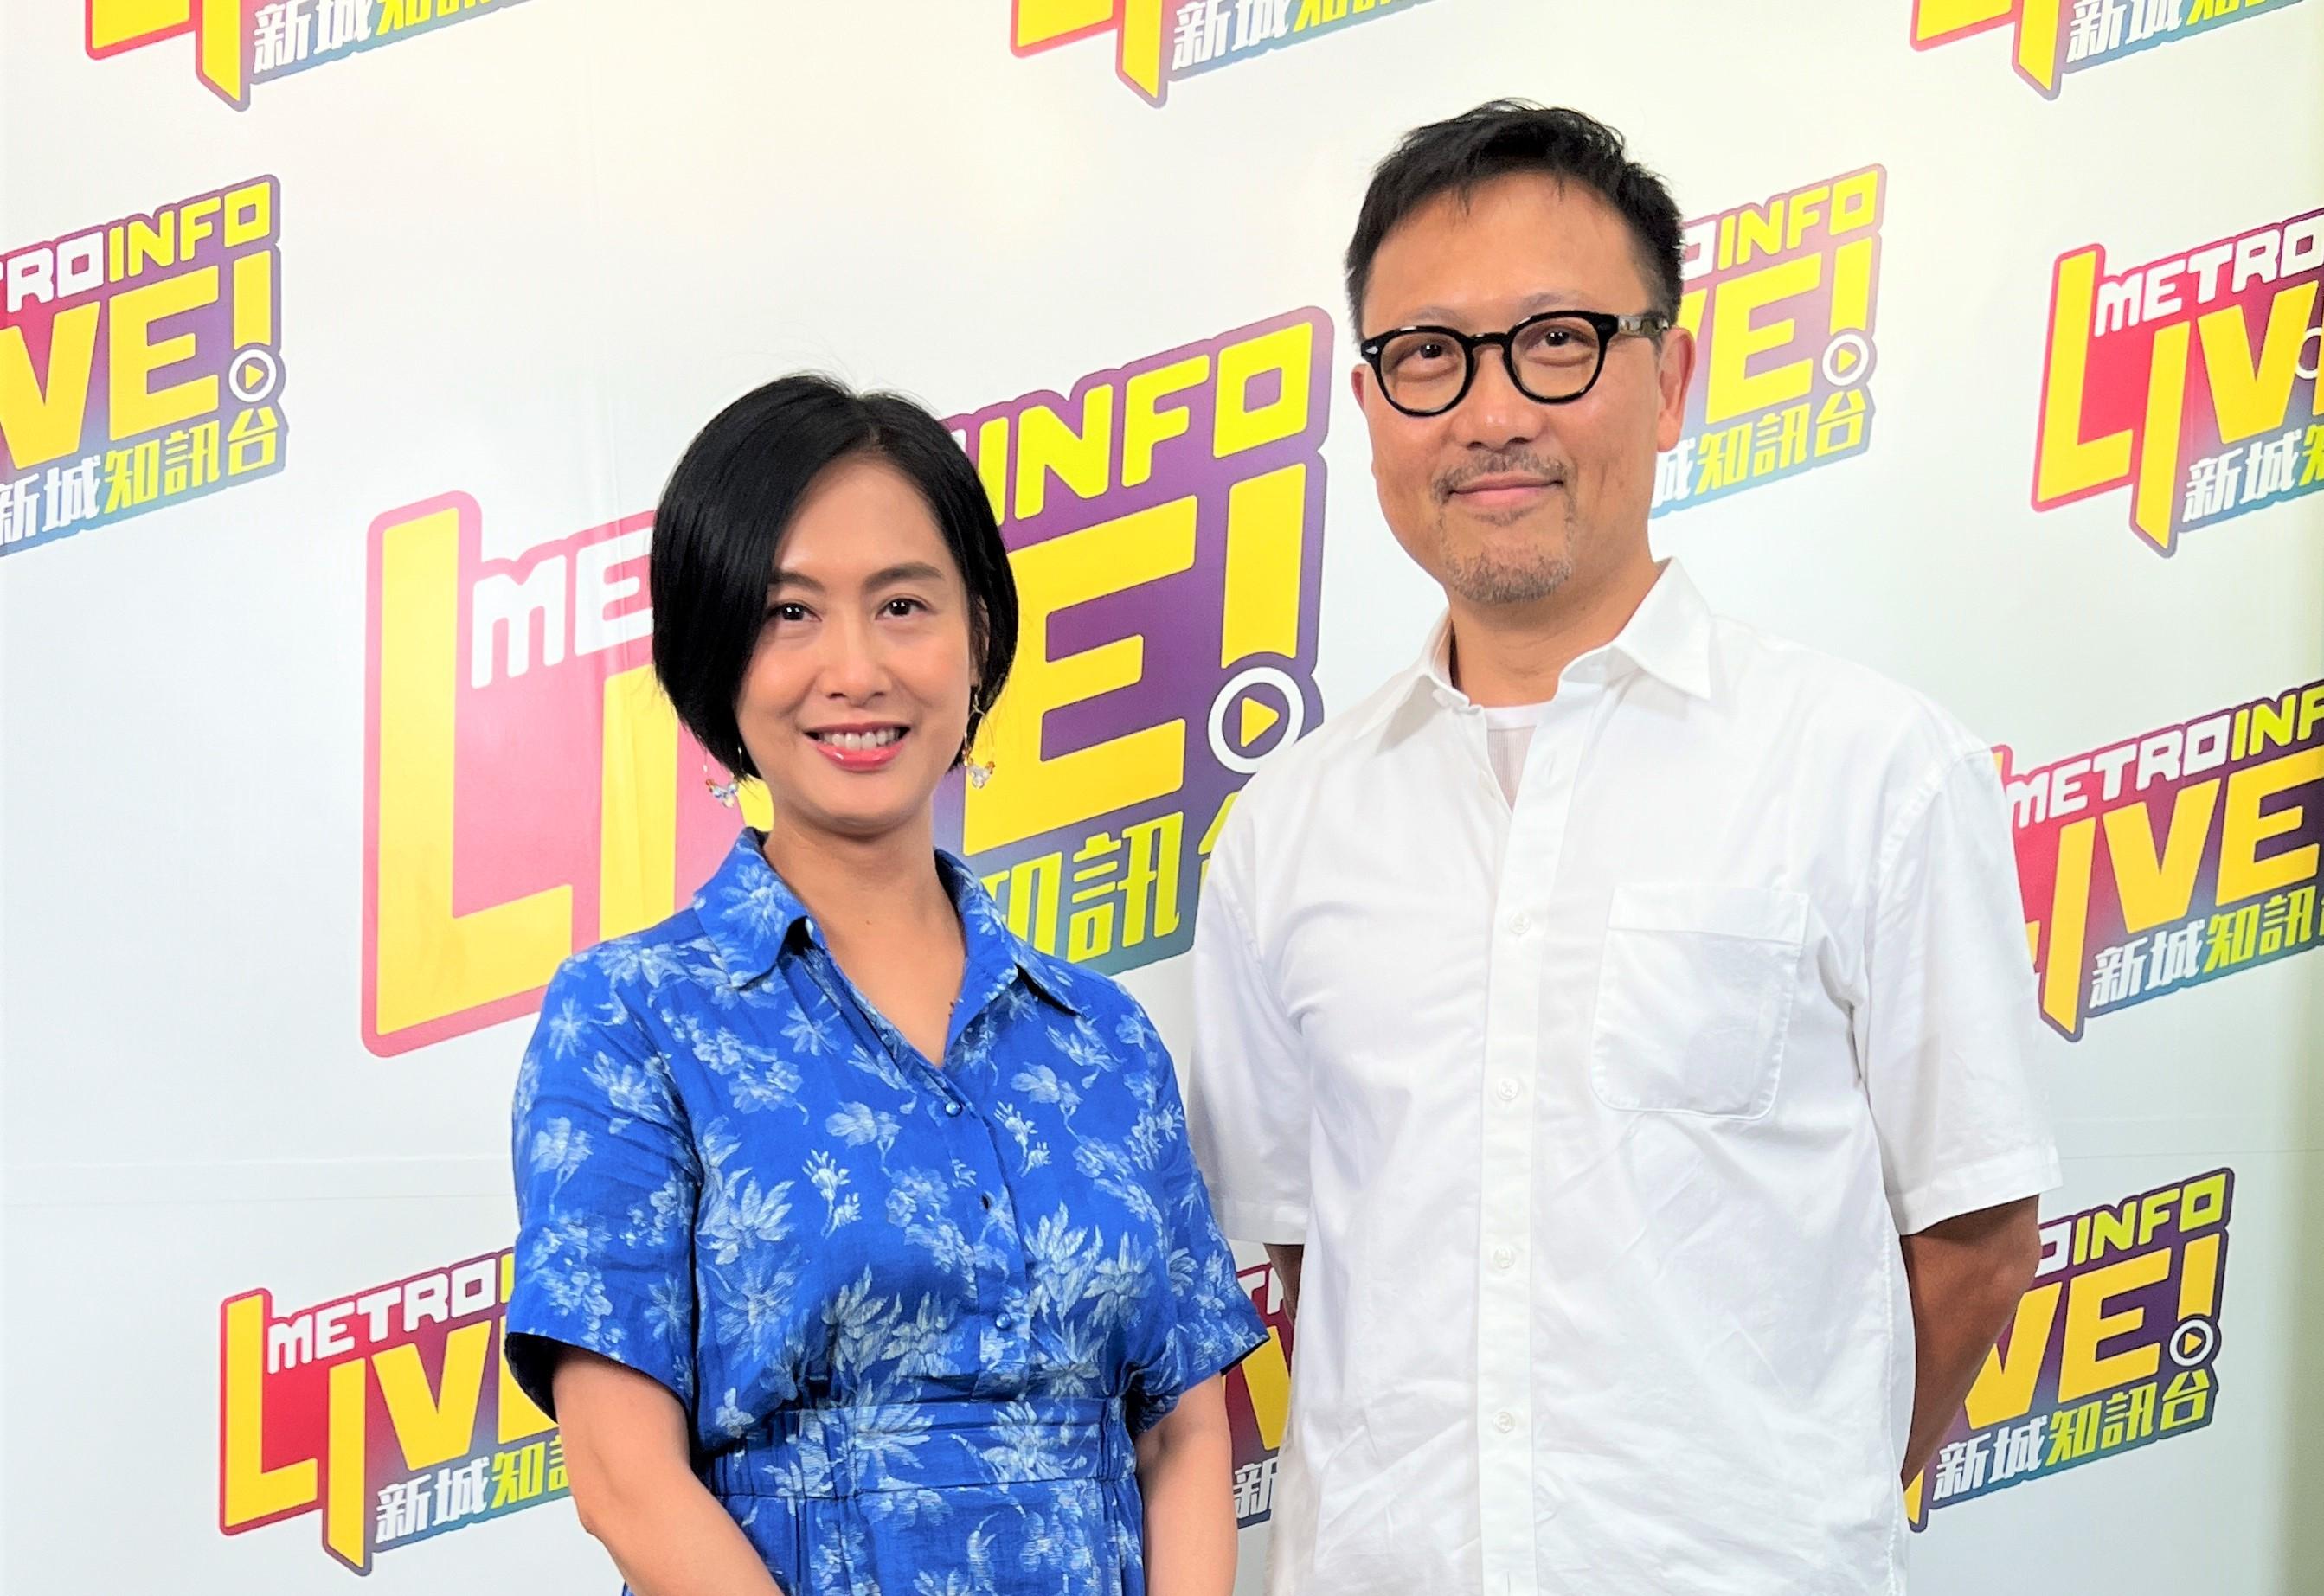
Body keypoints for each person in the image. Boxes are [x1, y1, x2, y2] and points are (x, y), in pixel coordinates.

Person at [1185, 103, 2058, 1595]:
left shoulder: (1869, 769)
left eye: (1556, 341)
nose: (1490, 413)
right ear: (1371, 404)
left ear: (1670, 378)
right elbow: (1305, 1266)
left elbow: (1974, 1237)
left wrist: (1789, 1508)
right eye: (1429, 356)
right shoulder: (1287, 830)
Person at [505, 375, 1267, 1596]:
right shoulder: (633, 1017)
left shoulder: (1103, 1038)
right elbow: (620, 1472)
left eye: (902, 605)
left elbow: (1183, 1432)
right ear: (715, 656)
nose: (854, 669)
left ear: (978, 640)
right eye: (788, 613)